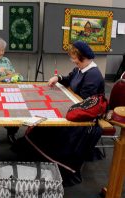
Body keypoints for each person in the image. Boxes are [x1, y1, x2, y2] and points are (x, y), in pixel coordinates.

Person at [14, 41, 105, 186]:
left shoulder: (93, 75)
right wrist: (58, 78)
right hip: (74, 109)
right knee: (42, 125)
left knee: (50, 128)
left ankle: (50, 163)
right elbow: (69, 78)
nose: (73, 61)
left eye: (74, 58)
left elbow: (84, 102)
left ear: (82, 57)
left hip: (83, 120)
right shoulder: (80, 69)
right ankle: (33, 154)